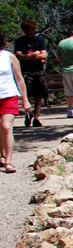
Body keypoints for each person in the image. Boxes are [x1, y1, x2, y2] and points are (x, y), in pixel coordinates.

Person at [0, 31, 30, 174]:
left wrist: (25, 100)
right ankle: (3, 154)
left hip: (8, 95)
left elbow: (19, 79)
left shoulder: (9, 57)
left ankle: (8, 162)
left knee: (6, 127)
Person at [13, 20, 47, 127]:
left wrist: (27, 57)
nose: (35, 30)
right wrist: (34, 55)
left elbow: (44, 55)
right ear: (27, 29)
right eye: (32, 28)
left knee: (39, 94)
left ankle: (36, 117)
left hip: (39, 71)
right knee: (27, 94)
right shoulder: (20, 41)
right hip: (26, 71)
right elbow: (19, 56)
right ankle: (28, 113)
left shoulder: (39, 40)